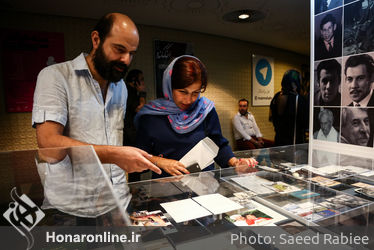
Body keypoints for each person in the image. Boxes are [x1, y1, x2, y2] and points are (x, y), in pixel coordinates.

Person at [32, 13, 161, 187]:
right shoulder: (55, 76)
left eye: (132, 53)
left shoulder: (121, 86)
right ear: (96, 39)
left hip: (115, 195)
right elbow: (48, 145)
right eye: (119, 50)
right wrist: (116, 154)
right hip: (73, 200)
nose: (126, 60)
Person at [134, 55, 257, 178]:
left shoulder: (205, 111)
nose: (188, 100)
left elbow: (217, 145)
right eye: (183, 92)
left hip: (204, 185)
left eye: (195, 93)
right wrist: (160, 161)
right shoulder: (151, 116)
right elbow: (138, 159)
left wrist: (235, 163)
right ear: (169, 86)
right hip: (167, 189)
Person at [269, 70, 308, 146]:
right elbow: (305, 123)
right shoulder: (299, 99)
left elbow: (272, 118)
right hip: (294, 143)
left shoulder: (276, 97)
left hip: (278, 141)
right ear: (294, 84)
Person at [123, 69, 147, 182]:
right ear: (134, 81)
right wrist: (142, 92)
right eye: (141, 80)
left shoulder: (126, 90)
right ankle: (134, 190)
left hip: (129, 132)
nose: (143, 82)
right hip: (129, 133)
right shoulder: (130, 91)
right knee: (134, 163)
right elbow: (140, 108)